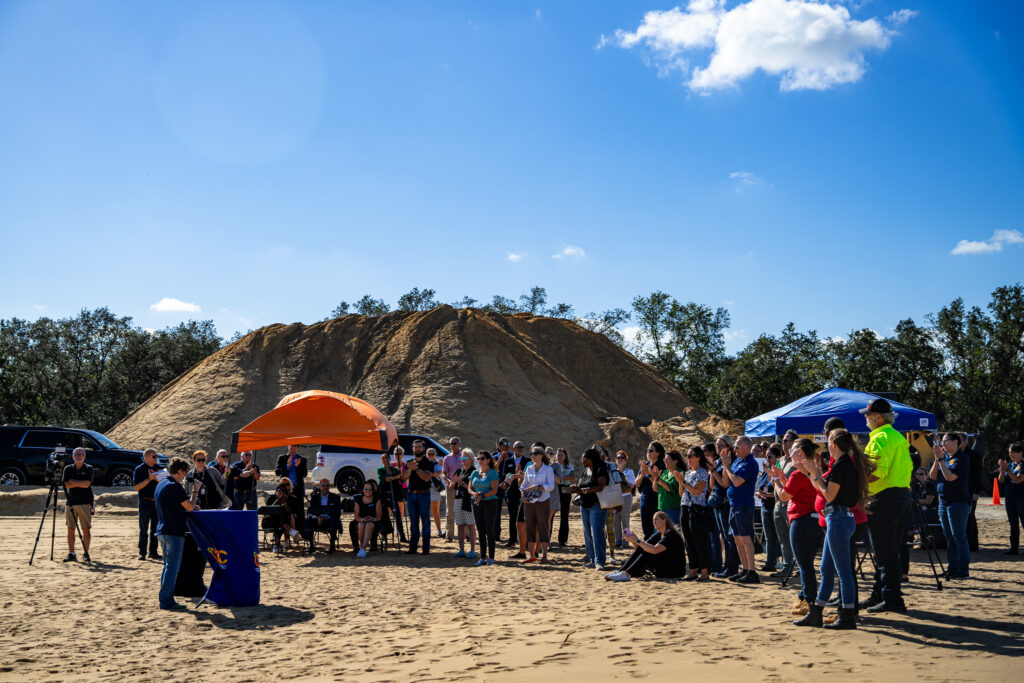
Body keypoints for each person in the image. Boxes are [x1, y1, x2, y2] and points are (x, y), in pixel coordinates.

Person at [800, 429, 874, 629]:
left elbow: (829, 496)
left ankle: (847, 615)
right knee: (827, 569)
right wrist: (813, 474)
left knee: (842, 572)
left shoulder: (842, 466)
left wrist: (815, 475)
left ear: (833, 445)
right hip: (841, 518)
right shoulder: (847, 464)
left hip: (838, 518)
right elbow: (825, 490)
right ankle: (817, 612)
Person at [859, 398, 913, 614]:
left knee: (884, 552)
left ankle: (892, 598)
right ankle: (881, 594)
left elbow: (875, 472)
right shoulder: (898, 437)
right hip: (901, 496)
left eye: (868, 414)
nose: (865, 417)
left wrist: (857, 486)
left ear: (878, 417)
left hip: (883, 498)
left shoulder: (880, 438)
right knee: (890, 550)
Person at [773, 438, 821, 622]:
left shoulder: (799, 475)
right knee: (807, 563)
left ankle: (808, 600)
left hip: (802, 520)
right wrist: (782, 479)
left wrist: (777, 481)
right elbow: (796, 491)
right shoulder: (812, 471)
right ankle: (805, 597)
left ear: (800, 452)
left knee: (804, 564)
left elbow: (784, 496)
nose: (789, 454)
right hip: (814, 519)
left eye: (792, 450)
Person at [154, 458, 196, 610]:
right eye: (184, 472)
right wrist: (195, 491)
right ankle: (166, 601)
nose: (185, 475)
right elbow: (190, 507)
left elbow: (180, 505)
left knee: (167, 566)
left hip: (162, 530)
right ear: (179, 471)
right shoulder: (175, 486)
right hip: (173, 531)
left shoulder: (161, 484)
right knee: (172, 568)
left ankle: (166, 599)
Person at [930, 433, 972, 579]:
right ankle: (952, 567)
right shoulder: (944, 457)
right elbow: (933, 476)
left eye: (945, 441)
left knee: (958, 536)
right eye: (942, 442)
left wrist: (941, 459)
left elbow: (951, 477)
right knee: (949, 536)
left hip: (958, 502)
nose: (943, 444)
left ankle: (962, 570)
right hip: (943, 501)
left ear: (955, 442)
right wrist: (937, 459)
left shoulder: (962, 458)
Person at [720, 436, 760, 583]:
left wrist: (727, 466)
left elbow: (736, 481)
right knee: (737, 538)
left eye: (738, 446)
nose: (735, 449)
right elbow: (726, 482)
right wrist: (725, 465)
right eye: (735, 446)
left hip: (743, 505)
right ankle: (745, 569)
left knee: (745, 537)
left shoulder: (750, 463)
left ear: (747, 448)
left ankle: (752, 570)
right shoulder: (738, 461)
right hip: (734, 504)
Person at [605, 511, 686, 582]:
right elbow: (641, 548)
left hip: (674, 570)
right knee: (645, 548)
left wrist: (638, 540)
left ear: (664, 520)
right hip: (664, 566)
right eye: (653, 520)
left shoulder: (671, 535)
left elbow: (655, 550)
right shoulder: (658, 534)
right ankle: (621, 571)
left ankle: (626, 574)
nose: (654, 522)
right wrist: (634, 541)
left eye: (656, 519)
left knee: (648, 551)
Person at [571, 448, 610, 570]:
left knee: (597, 533)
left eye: (585, 459)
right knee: (587, 533)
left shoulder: (600, 469)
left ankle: (600, 561)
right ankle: (592, 559)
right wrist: (576, 489)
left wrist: (584, 491)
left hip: (597, 505)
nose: (582, 461)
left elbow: (600, 486)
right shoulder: (585, 471)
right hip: (584, 505)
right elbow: (581, 485)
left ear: (591, 459)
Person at [680, 446, 713, 581]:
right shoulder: (688, 473)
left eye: (690, 455)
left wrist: (682, 482)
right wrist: (680, 481)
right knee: (688, 541)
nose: (687, 458)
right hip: (685, 507)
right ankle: (693, 569)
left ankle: (704, 571)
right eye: (687, 455)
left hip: (697, 509)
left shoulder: (702, 472)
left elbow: (697, 491)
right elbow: (682, 493)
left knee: (700, 541)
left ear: (698, 458)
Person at [709, 437, 740, 578]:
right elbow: (712, 485)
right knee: (724, 535)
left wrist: (713, 470)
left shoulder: (729, 461)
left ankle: (731, 567)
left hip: (726, 502)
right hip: (717, 501)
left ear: (729, 446)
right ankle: (726, 566)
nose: (719, 448)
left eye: (722, 445)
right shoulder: (720, 460)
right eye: (717, 445)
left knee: (729, 537)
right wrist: (713, 470)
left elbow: (724, 483)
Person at [771, 430, 800, 577]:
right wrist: (773, 478)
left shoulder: (797, 462)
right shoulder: (780, 460)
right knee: (783, 538)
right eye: (783, 440)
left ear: (794, 443)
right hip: (778, 504)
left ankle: (800, 567)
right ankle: (787, 565)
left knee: (795, 538)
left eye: (787, 440)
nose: (783, 443)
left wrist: (778, 479)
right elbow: (774, 479)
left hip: (791, 505)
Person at [521, 446, 555, 563]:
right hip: (529, 501)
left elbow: (551, 486)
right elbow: (524, 485)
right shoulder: (529, 468)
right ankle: (532, 555)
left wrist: (539, 486)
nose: (533, 455)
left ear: (541, 455)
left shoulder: (548, 469)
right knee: (529, 526)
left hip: (543, 501)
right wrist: (523, 495)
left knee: (543, 526)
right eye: (531, 453)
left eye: (535, 453)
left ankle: (544, 555)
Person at [401, 440, 436, 554]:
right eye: (415, 447)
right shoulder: (409, 462)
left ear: (423, 448)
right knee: (413, 522)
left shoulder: (428, 463)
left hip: (424, 494)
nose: (417, 449)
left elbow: (426, 477)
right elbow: (403, 478)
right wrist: (410, 468)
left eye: (419, 447)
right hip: (411, 494)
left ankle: (425, 549)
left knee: (425, 522)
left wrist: (416, 469)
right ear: (412, 449)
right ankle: (413, 548)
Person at [62, 447, 94, 563]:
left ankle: (86, 552)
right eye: (76, 454)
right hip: (71, 502)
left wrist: (73, 481)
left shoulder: (89, 468)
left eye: (81, 454)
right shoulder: (68, 468)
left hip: (85, 502)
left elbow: (87, 484)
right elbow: (66, 485)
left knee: (85, 528)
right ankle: (71, 553)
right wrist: (78, 483)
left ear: (85, 456)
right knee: (70, 528)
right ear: (73, 456)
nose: (79, 456)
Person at [133, 447, 164, 561]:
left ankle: (153, 552)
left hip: (157, 502)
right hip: (145, 502)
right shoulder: (139, 469)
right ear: (146, 458)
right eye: (154, 456)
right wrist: (149, 478)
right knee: (143, 529)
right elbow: (137, 487)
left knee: (155, 530)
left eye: (157, 456)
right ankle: (142, 552)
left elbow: (165, 483)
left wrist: (156, 478)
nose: (156, 458)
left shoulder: (159, 468)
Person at [470, 451, 501, 566]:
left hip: (490, 503)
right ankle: (482, 557)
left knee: (490, 530)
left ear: (488, 460)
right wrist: (475, 494)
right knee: (480, 530)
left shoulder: (493, 473)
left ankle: (491, 557)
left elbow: (494, 490)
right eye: (478, 458)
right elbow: (469, 488)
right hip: (477, 503)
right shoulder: (474, 472)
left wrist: (482, 495)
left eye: (482, 458)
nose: (480, 460)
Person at [756, 444, 782, 572]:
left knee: (779, 536)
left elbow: (781, 491)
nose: (766, 458)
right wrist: (760, 494)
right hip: (765, 507)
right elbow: (761, 486)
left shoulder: (779, 470)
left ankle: (780, 561)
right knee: (769, 537)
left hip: (775, 507)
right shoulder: (766, 472)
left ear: (777, 457)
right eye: (765, 456)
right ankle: (770, 562)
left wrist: (768, 495)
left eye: (769, 456)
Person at [449, 449, 478, 559]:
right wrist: (454, 481)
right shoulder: (459, 470)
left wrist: (460, 482)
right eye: (462, 458)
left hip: (468, 499)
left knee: (471, 525)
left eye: (465, 458)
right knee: (460, 525)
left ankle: (472, 550)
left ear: (470, 459)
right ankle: (461, 550)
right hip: (458, 499)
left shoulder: (473, 471)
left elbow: (473, 487)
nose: (463, 460)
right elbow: (452, 487)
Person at [636, 441, 666, 540]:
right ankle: (648, 552)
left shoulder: (661, 466)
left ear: (658, 453)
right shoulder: (646, 464)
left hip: (656, 500)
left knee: (657, 529)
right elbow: (637, 484)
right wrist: (642, 473)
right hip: (644, 500)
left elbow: (658, 484)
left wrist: (649, 474)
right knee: (646, 530)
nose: (648, 452)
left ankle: (657, 551)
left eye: (651, 450)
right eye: (647, 450)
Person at [998, 444, 1024, 555]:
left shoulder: (1023, 465)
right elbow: (1001, 480)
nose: (1011, 454)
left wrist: (1007, 470)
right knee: (1013, 524)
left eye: (1013, 452)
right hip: (1010, 497)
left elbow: (1018, 480)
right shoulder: (1010, 465)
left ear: (1020, 453)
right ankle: (1014, 548)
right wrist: (1002, 470)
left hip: (1021, 497)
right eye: (1009, 452)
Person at [378, 450, 408, 543]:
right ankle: (384, 537)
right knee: (384, 516)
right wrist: (395, 477)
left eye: (386, 458)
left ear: (389, 459)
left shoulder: (395, 469)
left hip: (394, 495)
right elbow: (385, 479)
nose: (385, 460)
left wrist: (399, 475)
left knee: (398, 516)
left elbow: (402, 480)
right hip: (383, 495)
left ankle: (402, 536)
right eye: (383, 458)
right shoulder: (380, 469)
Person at [960, 433, 983, 552]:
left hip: (970, 490)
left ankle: (973, 544)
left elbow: (978, 475)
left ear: (965, 441)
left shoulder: (973, 456)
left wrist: (976, 491)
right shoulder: (955, 455)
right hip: (959, 491)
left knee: (970, 517)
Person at [306, 479, 341, 553]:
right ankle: (311, 545)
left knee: (334, 520)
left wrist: (326, 517)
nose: (325, 487)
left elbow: (338, 513)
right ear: (320, 487)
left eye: (327, 485)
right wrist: (318, 517)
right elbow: (310, 511)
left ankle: (332, 546)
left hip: (329, 519)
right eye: (323, 485)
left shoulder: (335, 497)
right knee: (307, 521)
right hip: (317, 519)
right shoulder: (315, 497)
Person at [268, 478, 302, 553]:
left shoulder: (293, 498)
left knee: (284, 517)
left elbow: (293, 511)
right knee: (278, 519)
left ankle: (281, 542)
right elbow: (269, 510)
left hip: (289, 519)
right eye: (282, 485)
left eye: (287, 484)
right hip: (273, 519)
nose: (285, 487)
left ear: (290, 486)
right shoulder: (272, 497)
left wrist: (284, 502)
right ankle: (289, 535)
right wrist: (278, 499)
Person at [351, 481, 382, 557]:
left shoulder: (376, 500)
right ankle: (363, 546)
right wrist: (362, 519)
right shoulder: (358, 500)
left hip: (374, 522)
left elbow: (379, 517)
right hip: (362, 520)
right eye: (366, 489)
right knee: (361, 525)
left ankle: (363, 548)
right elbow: (356, 516)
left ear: (372, 490)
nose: (368, 491)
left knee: (369, 524)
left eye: (370, 489)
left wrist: (372, 518)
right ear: (363, 490)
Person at [275, 445, 307, 518]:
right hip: (285, 489)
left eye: (295, 446)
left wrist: (297, 466)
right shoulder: (282, 458)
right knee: (285, 510)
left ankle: (300, 528)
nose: (292, 448)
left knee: (299, 511)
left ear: (297, 448)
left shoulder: (302, 459)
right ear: (288, 446)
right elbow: (277, 472)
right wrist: (287, 466)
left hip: (298, 489)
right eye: (291, 446)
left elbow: (304, 474)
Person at [613, 451, 637, 549]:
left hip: (626, 497)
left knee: (625, 520)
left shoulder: (629, 472)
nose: (620, 459)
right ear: (616, 460)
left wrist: (622, 481)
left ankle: (625, 541)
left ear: (625, 461)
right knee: (615, 520)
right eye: (618, 458)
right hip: (615, 498)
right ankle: (617, 541)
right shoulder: (613, 472)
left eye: (622, 458)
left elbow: (632, 485)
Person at [656, 451, 685, 527]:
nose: (665, 461)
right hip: (662, 506)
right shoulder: (665, 472)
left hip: (673, 508)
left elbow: (670, 488)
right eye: (664, 459)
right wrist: (654, 476)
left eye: (667, 459)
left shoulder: (679, 473)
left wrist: (658, 478)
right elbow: (656, 489)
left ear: (675, 461)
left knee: (675, 531)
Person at [442, 437, 463, 542]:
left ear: (459, 444)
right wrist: (450, 481)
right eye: (450, 444)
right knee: (449, 511)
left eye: (454, 443)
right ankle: (449, 535)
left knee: (464, 510)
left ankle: (466, 535)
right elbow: (444, 473)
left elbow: (468, 470)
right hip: (450, 487)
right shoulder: (447, 458)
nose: (452, 445)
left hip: (462, 486)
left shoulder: (464, 456)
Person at [493, 437, 513, 542]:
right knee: (497, 511)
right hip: (498, 487)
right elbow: (493, 469)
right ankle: (497, 534)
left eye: (509, 443)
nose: (507, 445)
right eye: (504, 443)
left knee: (512, 512)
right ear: (499, 446)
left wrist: (507, 483)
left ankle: (513, 537)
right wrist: (500, 460)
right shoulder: (494, 457)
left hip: (510, 487)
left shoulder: (512, 456)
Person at [555, 448, 575, 545]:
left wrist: (563, 476)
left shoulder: (569, 466)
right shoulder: (553, 465)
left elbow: (573, 478)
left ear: (565, 456)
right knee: (551, 513)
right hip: (555, 488)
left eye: (561, 455)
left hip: (566, 488)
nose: (559, 457)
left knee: (564, 514)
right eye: (558, 455)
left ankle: (562, 539)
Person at [425, 447, 445, 539]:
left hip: (434, 489)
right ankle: (425, 530)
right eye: (428, 454)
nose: (430, 455)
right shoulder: (423, 463)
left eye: (432, 454)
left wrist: (427, 472)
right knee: (424, 512)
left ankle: (439, 530)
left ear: (435, 455)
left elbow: (438, 474)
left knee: (435, 512)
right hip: (424, 488)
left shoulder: (437, 464)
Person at [546, 447, 561, 540]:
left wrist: (549, 469)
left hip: (553, 495)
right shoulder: (540, 465)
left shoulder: (556, 466)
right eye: (547, 453)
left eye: (552, 453)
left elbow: (559, 480)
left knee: (547, 520)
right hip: (542, 494)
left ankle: (546, 541)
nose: (550, 455)